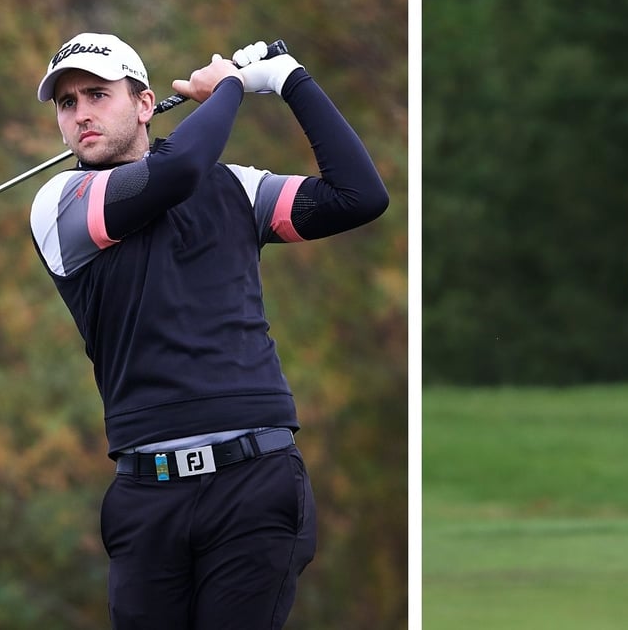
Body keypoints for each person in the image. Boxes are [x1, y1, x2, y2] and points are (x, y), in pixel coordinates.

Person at [28, 33, 388, 628]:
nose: (81, 113)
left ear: (144, 104)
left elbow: (358, 196)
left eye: (97, 94)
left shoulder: (237, 190)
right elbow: (175, 171)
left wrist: (290, 80)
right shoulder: (62, 205)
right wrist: (228, 87)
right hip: (147, 501)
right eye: (68, 104)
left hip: (255, 485)